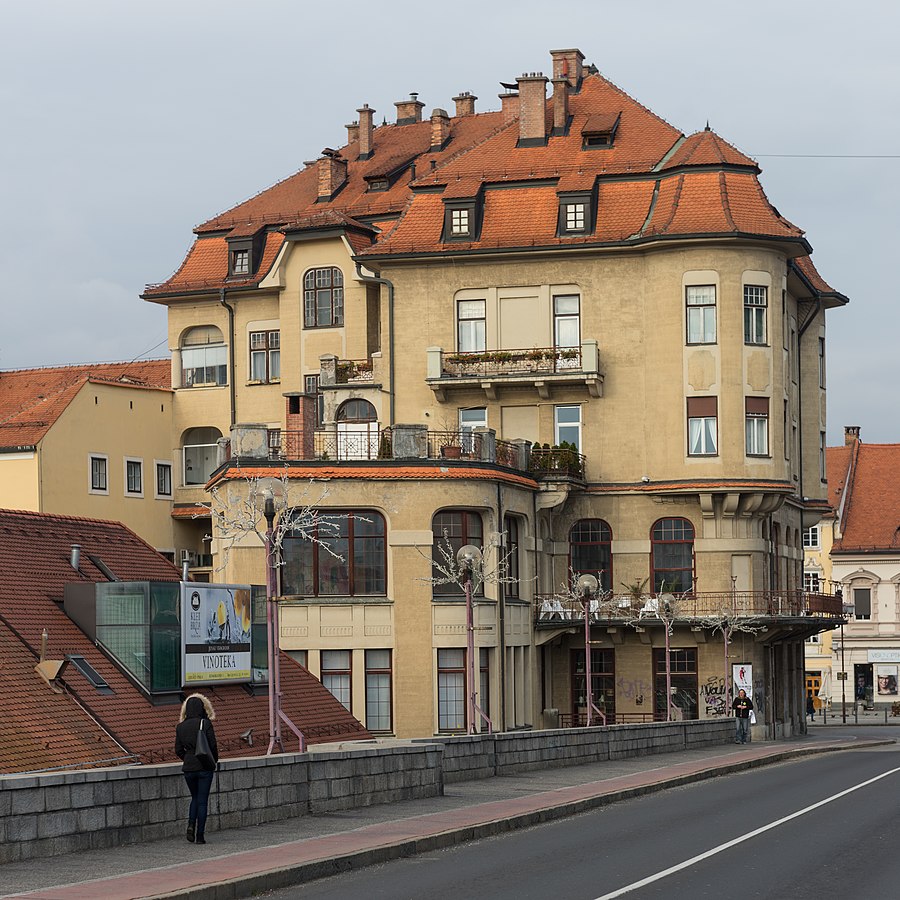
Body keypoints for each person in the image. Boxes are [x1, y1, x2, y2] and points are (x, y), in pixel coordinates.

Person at [175, 693, 218, 844]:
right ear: (201, 708)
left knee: (194, 798)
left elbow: (178, 750)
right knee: (202, 801)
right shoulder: (205, 724)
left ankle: (191, 824)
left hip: (188, 768)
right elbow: (212, 745)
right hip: (204, 767)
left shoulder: (180, 727)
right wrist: (213, 762)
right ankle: (200, 836)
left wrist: (188, 759)